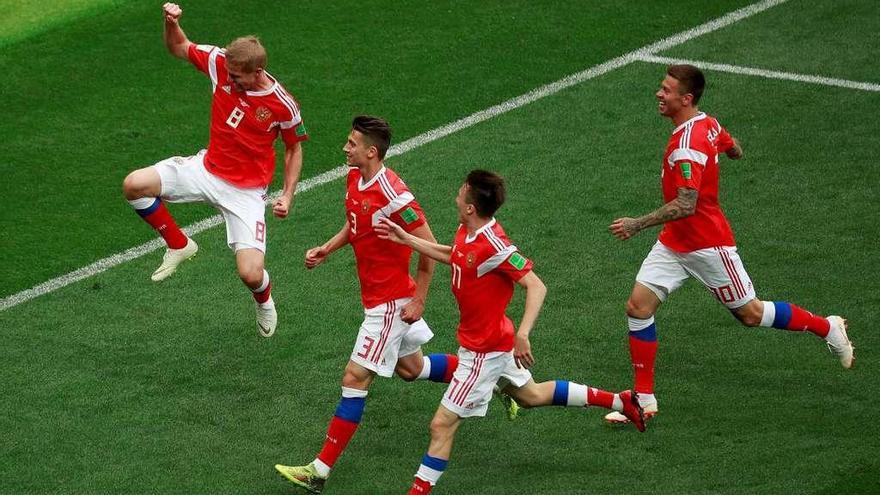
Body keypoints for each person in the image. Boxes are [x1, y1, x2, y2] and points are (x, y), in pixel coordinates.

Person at [603, 64, 854, 425]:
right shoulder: (707, 122)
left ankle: (827, 327)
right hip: (675, 242)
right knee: (638, 308)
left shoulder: (686, 146)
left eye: (666, 90)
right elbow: (732, 145)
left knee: (750, 314)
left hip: (708, 245)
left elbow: (686, 204)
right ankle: (644, 400)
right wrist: (730, 152)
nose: (659, 94)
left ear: (685, 99)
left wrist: (636, 224)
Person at [377, 170, 645, 495]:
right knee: (531, 396)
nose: (456, 196)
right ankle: (620, 401)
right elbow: (454, 255)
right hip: (488, 343)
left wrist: (524, 333)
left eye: (461, 192)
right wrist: (406, 238)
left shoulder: (494, 244)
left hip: (485, 353)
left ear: (472, 206)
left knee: (441, 425)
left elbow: (536, 285)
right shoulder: (467, 231)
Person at [274, 116, 460, 494]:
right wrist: (327, 248)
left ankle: (319, 471)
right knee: (412, 368)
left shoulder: (397, 196)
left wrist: (420, 298)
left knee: (354, 377)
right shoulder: (354, 178)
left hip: (391, 303)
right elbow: (355, 225)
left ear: (370, 151)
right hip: (377, 298)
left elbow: (430, 249)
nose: (345, 148)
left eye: (351, 143)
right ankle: (491, 379)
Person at [121, 3, 308, 337]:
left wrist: (288, 194)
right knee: (134, 184)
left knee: (251, 274)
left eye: (238, 78)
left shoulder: (282, 104)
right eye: (230, 75)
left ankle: (264, 301)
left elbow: (294, 147)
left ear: (258, 71)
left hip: (246, 193)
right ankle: (179, 244)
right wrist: (171, 23)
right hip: (205, 169)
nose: (231, 80)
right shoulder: (221, 62)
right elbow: (179, 46)